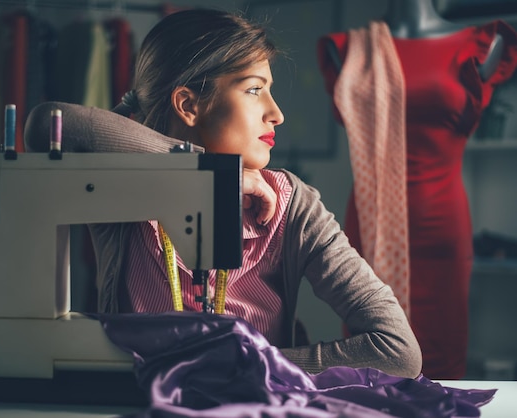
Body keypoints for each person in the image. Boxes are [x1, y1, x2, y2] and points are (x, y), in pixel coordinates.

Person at [26, 7, 422, 379]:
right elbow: (48, 125)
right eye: (254, 90)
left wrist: (244, 365)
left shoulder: (292, 206)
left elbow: (398, 351)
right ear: (188, 105)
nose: (276, 113)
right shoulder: (117, 189)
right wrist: (208, 175)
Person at [317, 0, 517, 379]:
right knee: (371, 356)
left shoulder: (482, 44)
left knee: (442, 355)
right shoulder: (350, 49)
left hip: (441, 226)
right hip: (369, 224)